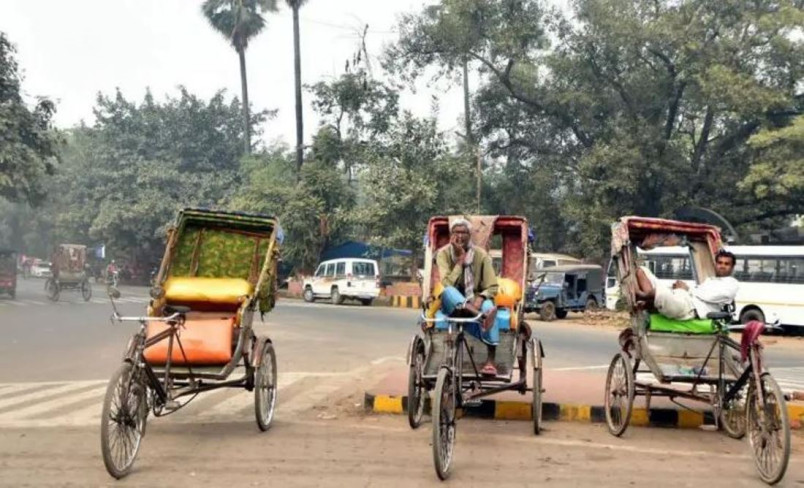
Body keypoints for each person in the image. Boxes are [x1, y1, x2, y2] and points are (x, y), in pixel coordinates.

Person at [435, 218, 500, 375]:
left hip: (475, 301)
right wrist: (459, 262)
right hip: (453, 305)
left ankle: (490, 361)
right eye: (456, 232)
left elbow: (492, 286)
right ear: (451, 235)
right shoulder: (443, 254)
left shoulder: (481, 255)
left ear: (469, 235)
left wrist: (480, 298)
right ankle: (481, 316)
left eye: (463, 232)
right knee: (449, 292)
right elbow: (447, 283)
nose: (460, 236)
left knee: (489, 307)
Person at [634, 249, 738, 321]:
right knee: (642, 270)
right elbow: (696, 292)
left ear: (732, 267)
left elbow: (711, 296)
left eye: (726, 264)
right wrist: (679, 287)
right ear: (716, 264)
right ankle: (649, 299)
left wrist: (686, 289)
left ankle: (643, 296)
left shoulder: (732, 284)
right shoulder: (710, 280)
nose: (722, 266)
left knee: (661, 292)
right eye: (720, 263)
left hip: (688, 309)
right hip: (682, 297)